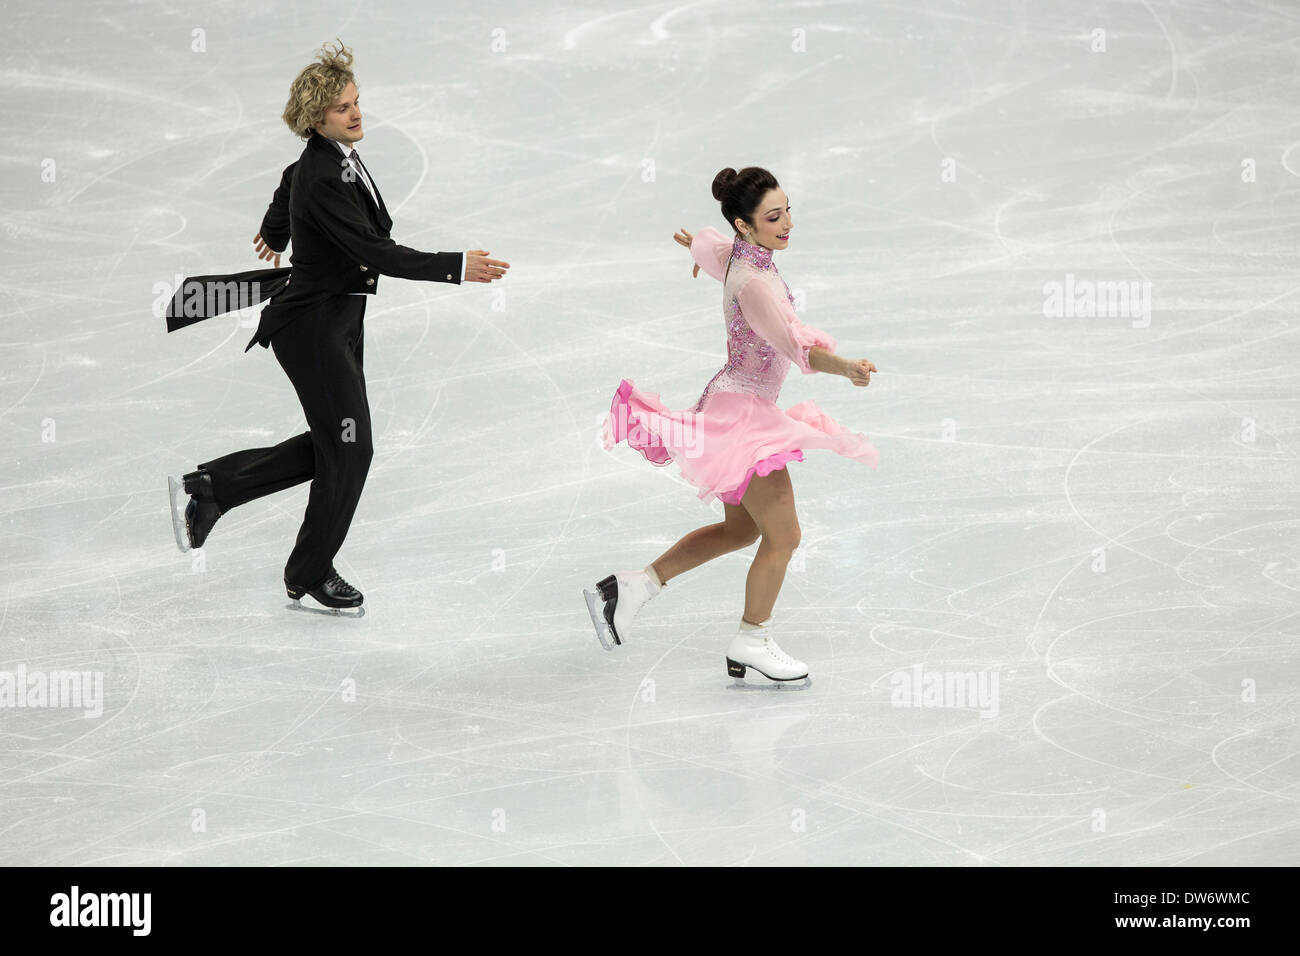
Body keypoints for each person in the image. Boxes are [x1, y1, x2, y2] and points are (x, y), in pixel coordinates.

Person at [165, 39, 509, 616]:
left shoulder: (329, 159)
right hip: (314, 327)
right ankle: (307, 569)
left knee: (340, 445)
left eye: (356, 102)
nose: (356, 113)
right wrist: (456, 267)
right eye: (344, 107)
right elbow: (377, 250)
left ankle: (214, 490)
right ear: (316, 118)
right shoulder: (323, 175)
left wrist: (276, 228)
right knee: (350, 450)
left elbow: (288, 178)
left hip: (338, 321)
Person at [585, 166, 879, 682]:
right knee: (784, 536)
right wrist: (848, 367)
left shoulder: (739, 257)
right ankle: (752, 639)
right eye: (773, 217)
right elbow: (800, 348)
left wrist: (694, 248)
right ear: (747, 225)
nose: (786, 223)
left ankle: (633, 586)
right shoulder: (755, 284)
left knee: (741, 529)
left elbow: (710, 247)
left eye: (788, 210)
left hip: (728, 403)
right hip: (745, 417)